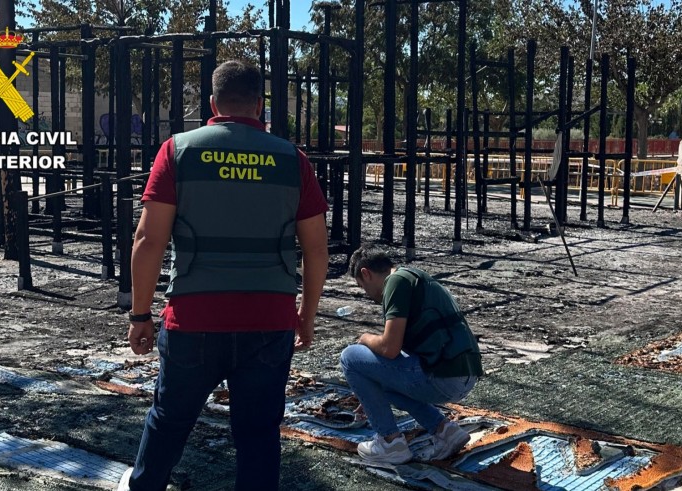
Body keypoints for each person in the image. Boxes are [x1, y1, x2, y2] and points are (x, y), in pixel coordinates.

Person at [119, 60, 329, 491]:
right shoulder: (293, 160)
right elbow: (316, 248)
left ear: (212, 103)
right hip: (269, 323)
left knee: (169, 421)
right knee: (257, 435)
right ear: (260, 104)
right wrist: (305, 316)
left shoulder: (177, 151)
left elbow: (148, 240)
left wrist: (140, 315)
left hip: (193, 321)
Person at [340, 247, 483, 464]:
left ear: (366, 273)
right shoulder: (414, 276)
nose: (367, 294)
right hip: (464, 373)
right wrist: (370, 396)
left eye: (362, 286)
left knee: (350, 357)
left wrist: (365, 337)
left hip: (443, 376)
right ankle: (445, 431)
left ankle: (390, 443)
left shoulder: (395, 283)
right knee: (382, 378)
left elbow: (390, 348)